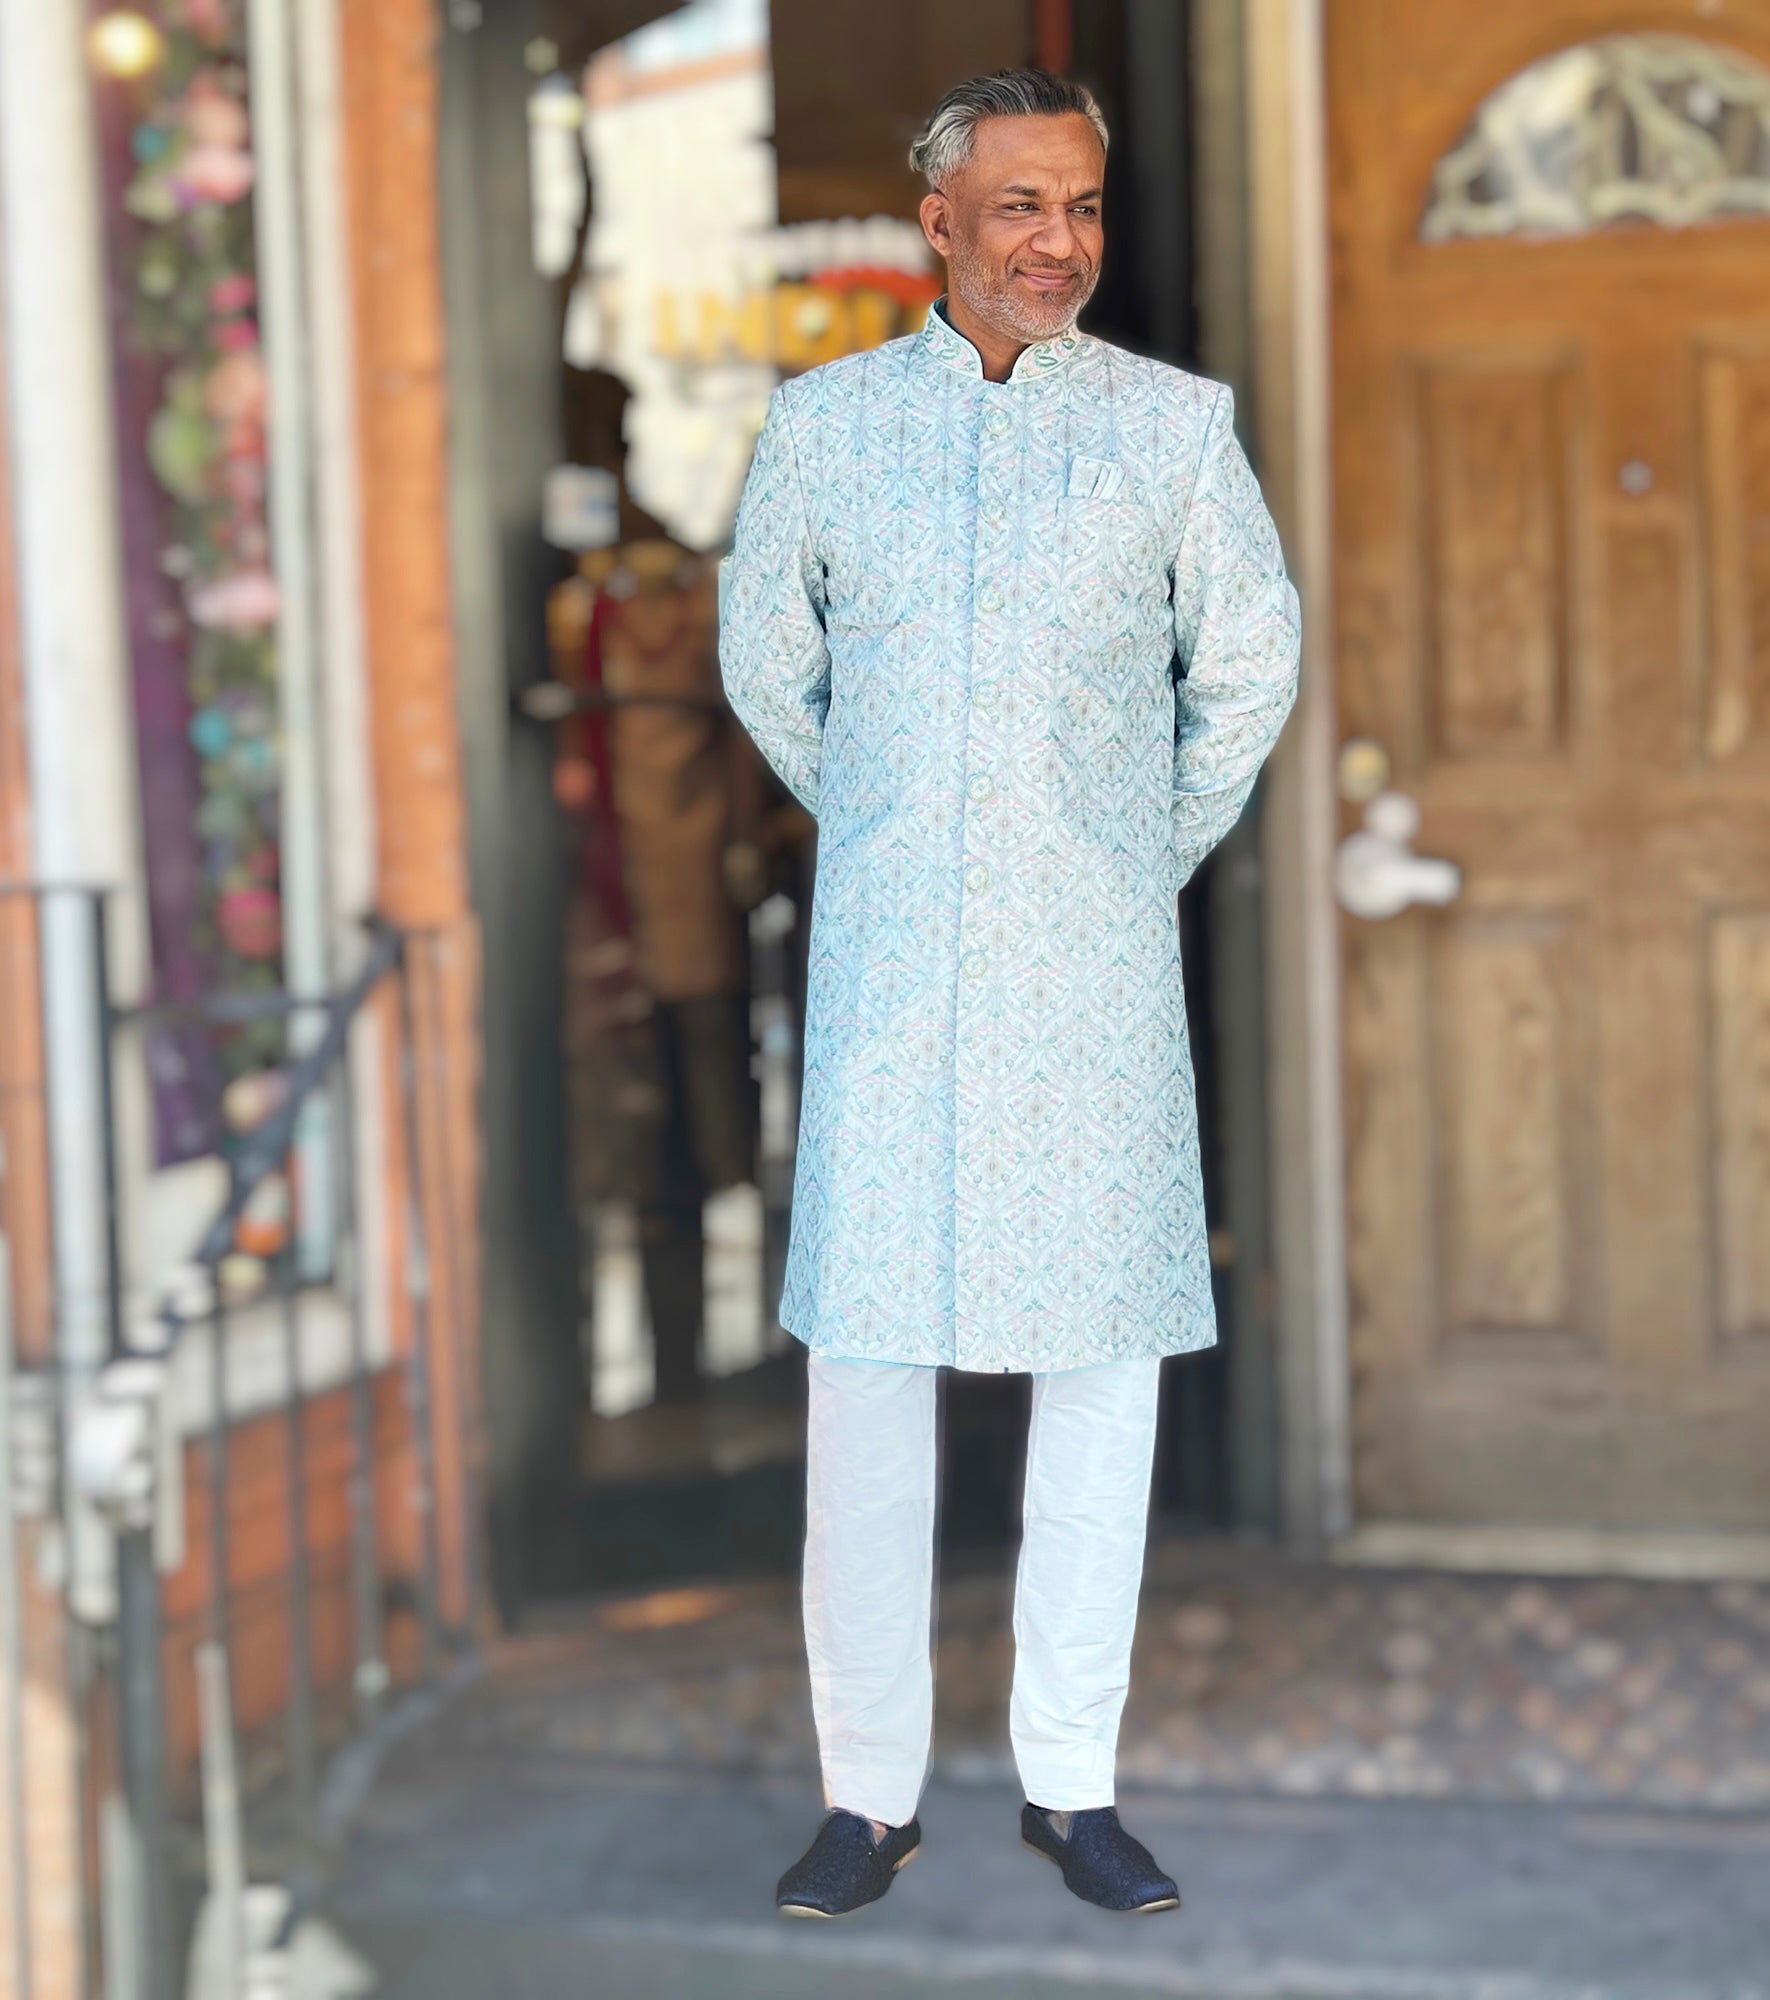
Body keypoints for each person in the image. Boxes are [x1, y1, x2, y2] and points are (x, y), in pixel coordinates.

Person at [720, 67, 1300, 1918]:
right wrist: (897, 826)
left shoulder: (1177, 431)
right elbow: (764, 667)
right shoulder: (822, 431)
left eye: (1084, 211)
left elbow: (1252, 673)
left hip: (1096, 960)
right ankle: (863, 1797)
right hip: (891, 962)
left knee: (1099, 1369)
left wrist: (1130, 849)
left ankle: (1074, 1781)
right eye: (1024, 210)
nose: (1060, 246)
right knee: (869, 1381)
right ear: (942, 228)